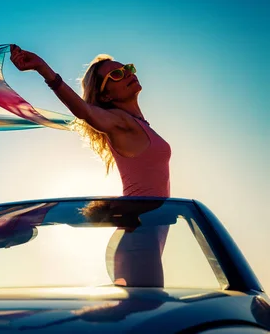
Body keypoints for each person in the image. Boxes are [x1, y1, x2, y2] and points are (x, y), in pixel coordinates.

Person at [9, 45, 171, 287]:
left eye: (126, 69)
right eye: (116, 75)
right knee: (147, 313)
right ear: (106, 95)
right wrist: (44, 69)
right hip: (139, 237)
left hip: (146, 234)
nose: (127, 73)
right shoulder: (120, 122)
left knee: (133, 316)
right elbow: (84, 111)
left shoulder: (140, 125)